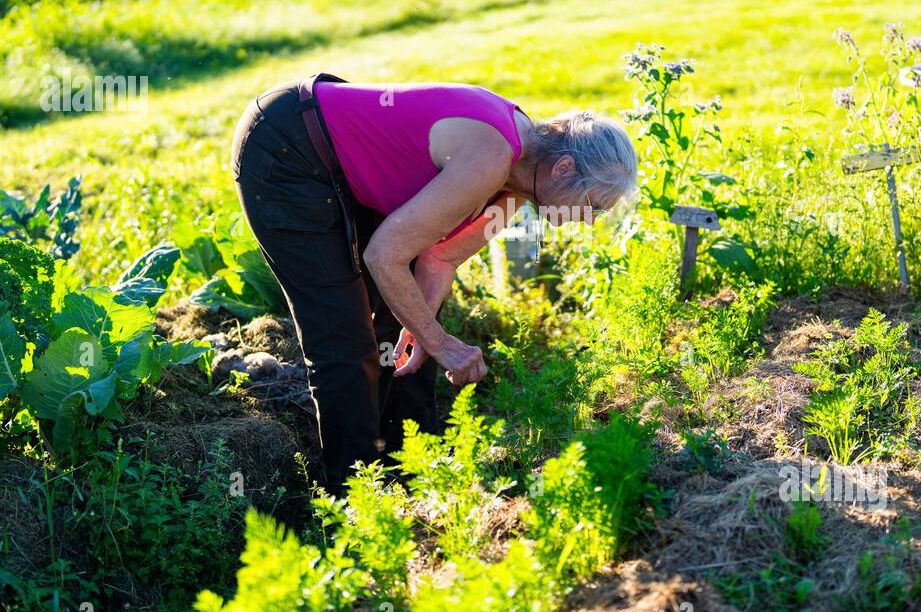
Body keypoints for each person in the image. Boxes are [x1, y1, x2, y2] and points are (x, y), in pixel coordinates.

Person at [229, 74, 637, 490]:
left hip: (334, 162)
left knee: (403, 328)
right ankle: (355, 501)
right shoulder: (493, 156)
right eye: (592, 205)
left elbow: (440, 259)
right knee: (343, 338)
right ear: (563, 168)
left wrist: (425, 334)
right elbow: (384, 256)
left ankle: (412, 469)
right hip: (289, 147)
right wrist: (442, 344)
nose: (590, 219)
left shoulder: (520, 181)